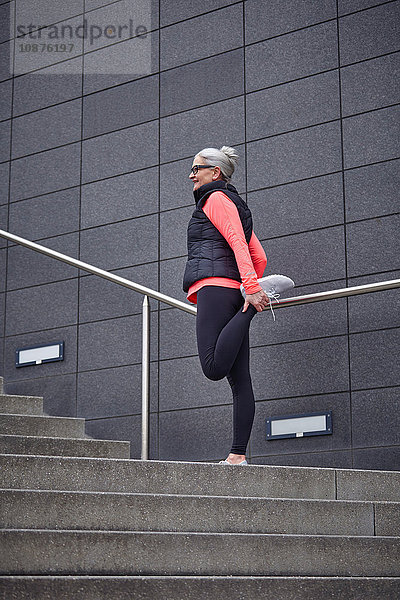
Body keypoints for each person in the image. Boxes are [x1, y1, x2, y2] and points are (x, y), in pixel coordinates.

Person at [183, 146, 269, 465]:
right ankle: (237, 456)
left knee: (213, 367)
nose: (192, 174)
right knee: (240, 379)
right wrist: (247, 284)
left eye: (197, 168)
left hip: (216, 290)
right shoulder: (233, 204)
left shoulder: (215, 199)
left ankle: (252, 308)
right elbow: (257, 255)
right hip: (231, 290)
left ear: (215, 173)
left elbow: (235, 241)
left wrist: (252, 290)